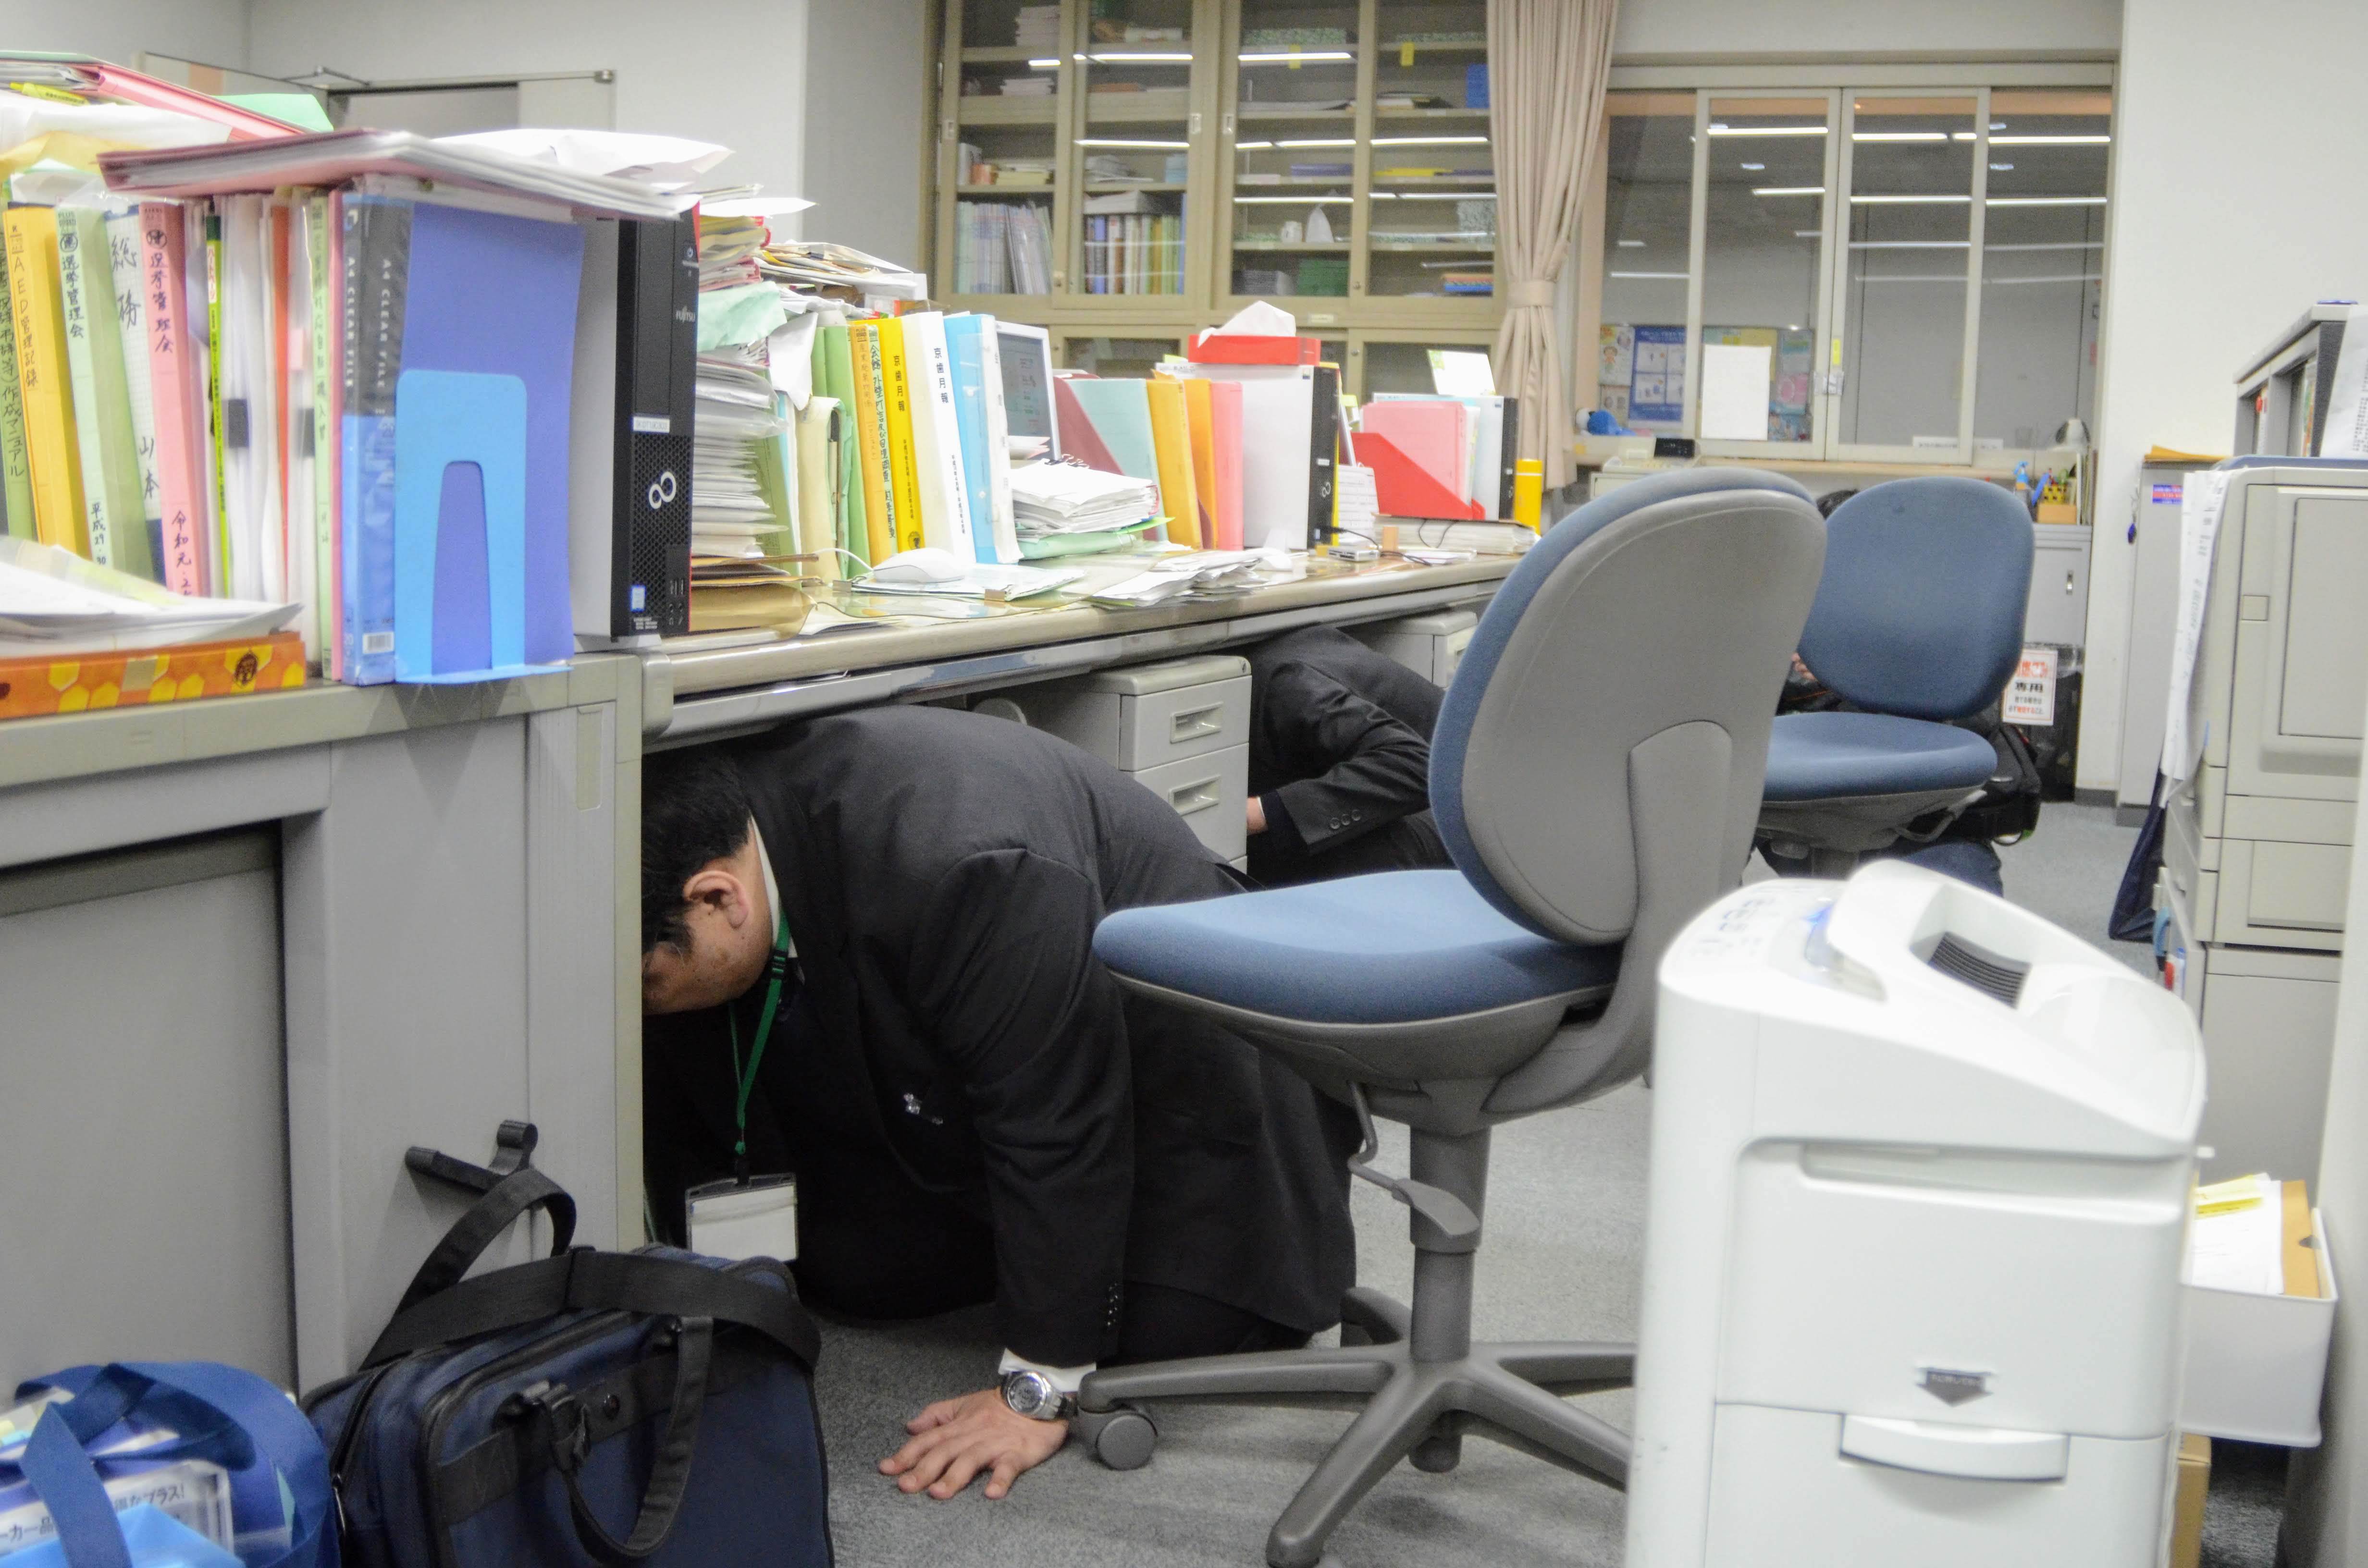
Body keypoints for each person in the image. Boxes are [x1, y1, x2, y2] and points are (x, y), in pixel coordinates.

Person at [639, 704, 1358, 1503]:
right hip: (997, 1060)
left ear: (717, 898)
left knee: (1170, 1327)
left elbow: (1059, 1116)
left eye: (646, 983)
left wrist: (1040, 1382)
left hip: (1190, 1071)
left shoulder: (961, 860)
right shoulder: (727, 822)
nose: (644, 1004)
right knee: (855, 1276)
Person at [1243, 625, 1455, 885]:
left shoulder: (1285, 684)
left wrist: (1259, 812)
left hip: (1465, 807)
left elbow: (1416, 763)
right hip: (1448, 788)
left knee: (1274, 869)